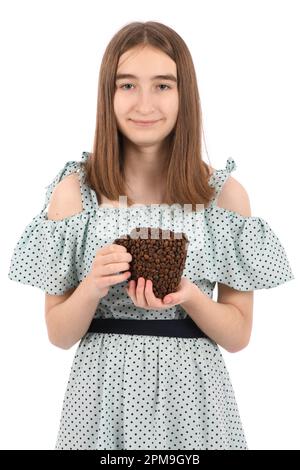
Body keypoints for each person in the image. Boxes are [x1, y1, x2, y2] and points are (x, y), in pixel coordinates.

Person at [8, 21, 294, 450]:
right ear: (108, 94)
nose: (144, 103)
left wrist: (189, 295)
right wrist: (92, 286)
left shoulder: (223, 196)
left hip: (196, 400)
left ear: (186, 96)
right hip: (100, 398)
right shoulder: (75, 194)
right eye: (127, 85)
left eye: (162, 85)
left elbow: (238, 336)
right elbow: (59, 334)